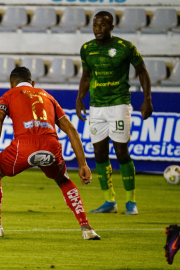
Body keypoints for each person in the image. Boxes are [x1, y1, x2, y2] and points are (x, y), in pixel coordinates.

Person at [0, 66, 100, 240]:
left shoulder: (7, 96)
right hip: (51, 146)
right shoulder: (48, 96)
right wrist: (83, 164)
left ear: (11, 84)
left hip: (23, 146)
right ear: (33, 83)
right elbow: (71, 130)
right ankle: (87, 228)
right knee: (63, 180)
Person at [76, 11, 153, 215]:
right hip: (96, 106)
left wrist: (147, 99)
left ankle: (131, 201)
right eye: (95, 25)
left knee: (121, 152)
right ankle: (109, 201)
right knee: (99, 154)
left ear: (111, 27)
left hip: (119, 104)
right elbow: (86, 76)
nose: (98, 29)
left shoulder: (125, 47)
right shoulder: (87, 49)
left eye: (102, 25)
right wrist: (79, 99)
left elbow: (142, 71)